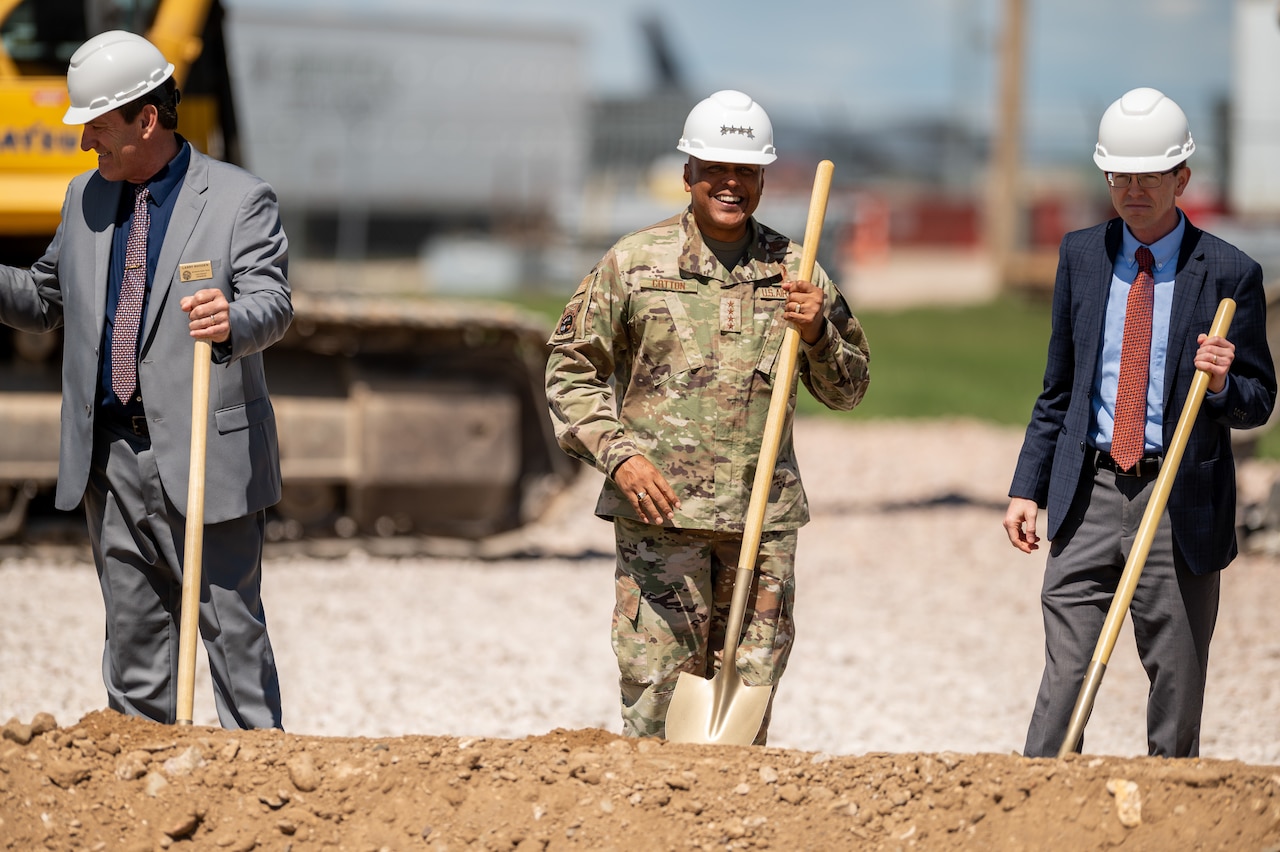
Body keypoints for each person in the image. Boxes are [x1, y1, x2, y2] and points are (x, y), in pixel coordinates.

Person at [544, 90, 871, 743]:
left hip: (761, 524)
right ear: (688, 172)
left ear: (762, 179)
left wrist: (818, 338)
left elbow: (850, 389)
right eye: (715, 168)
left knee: (744, 713)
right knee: (659, 706)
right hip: (663, 527)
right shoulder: (634, 266)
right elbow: (568, 372)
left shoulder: (796, 272)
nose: (730, 183)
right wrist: (619, 455)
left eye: (745, 171)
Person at [0, 31, 292, 729]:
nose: (83, 144)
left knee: (233, 637)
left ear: (146, 119)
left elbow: (272, 303)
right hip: (113, 460)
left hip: (203, 458)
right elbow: (45, 301)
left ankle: (262, 794)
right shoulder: (83, 200)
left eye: (96, 127)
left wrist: (231, 318)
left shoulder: (237, 199)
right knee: (133, 644)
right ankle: (145, 799)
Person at [1003, 87, 1276, 758]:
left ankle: (1168, 812)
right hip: (1088, 494)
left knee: (1176, 684)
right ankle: (1036, 801)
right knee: (1065, 675)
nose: (1132, 189)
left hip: (1178, 501)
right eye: (1119, 174)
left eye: (1149, 175)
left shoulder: (1231, 274)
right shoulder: (1082, 257)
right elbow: (1058, 389)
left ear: (1182, 176)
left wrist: (1218, 384)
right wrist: (1026, 487)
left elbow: (1258, 400)